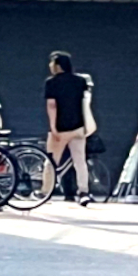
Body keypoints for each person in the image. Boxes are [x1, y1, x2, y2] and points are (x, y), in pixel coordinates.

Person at [44, 51, 94, 205]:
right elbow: (85, 103)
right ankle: (84, 192)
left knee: (51, 161)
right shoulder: (80, 81)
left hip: (60, 129)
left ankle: (46, 191)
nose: (50, 65)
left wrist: (53, 127)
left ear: (57, 65)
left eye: (52, 63)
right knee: (80, 161)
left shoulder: (51, 82)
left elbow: (52, 106)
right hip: (78, 127)